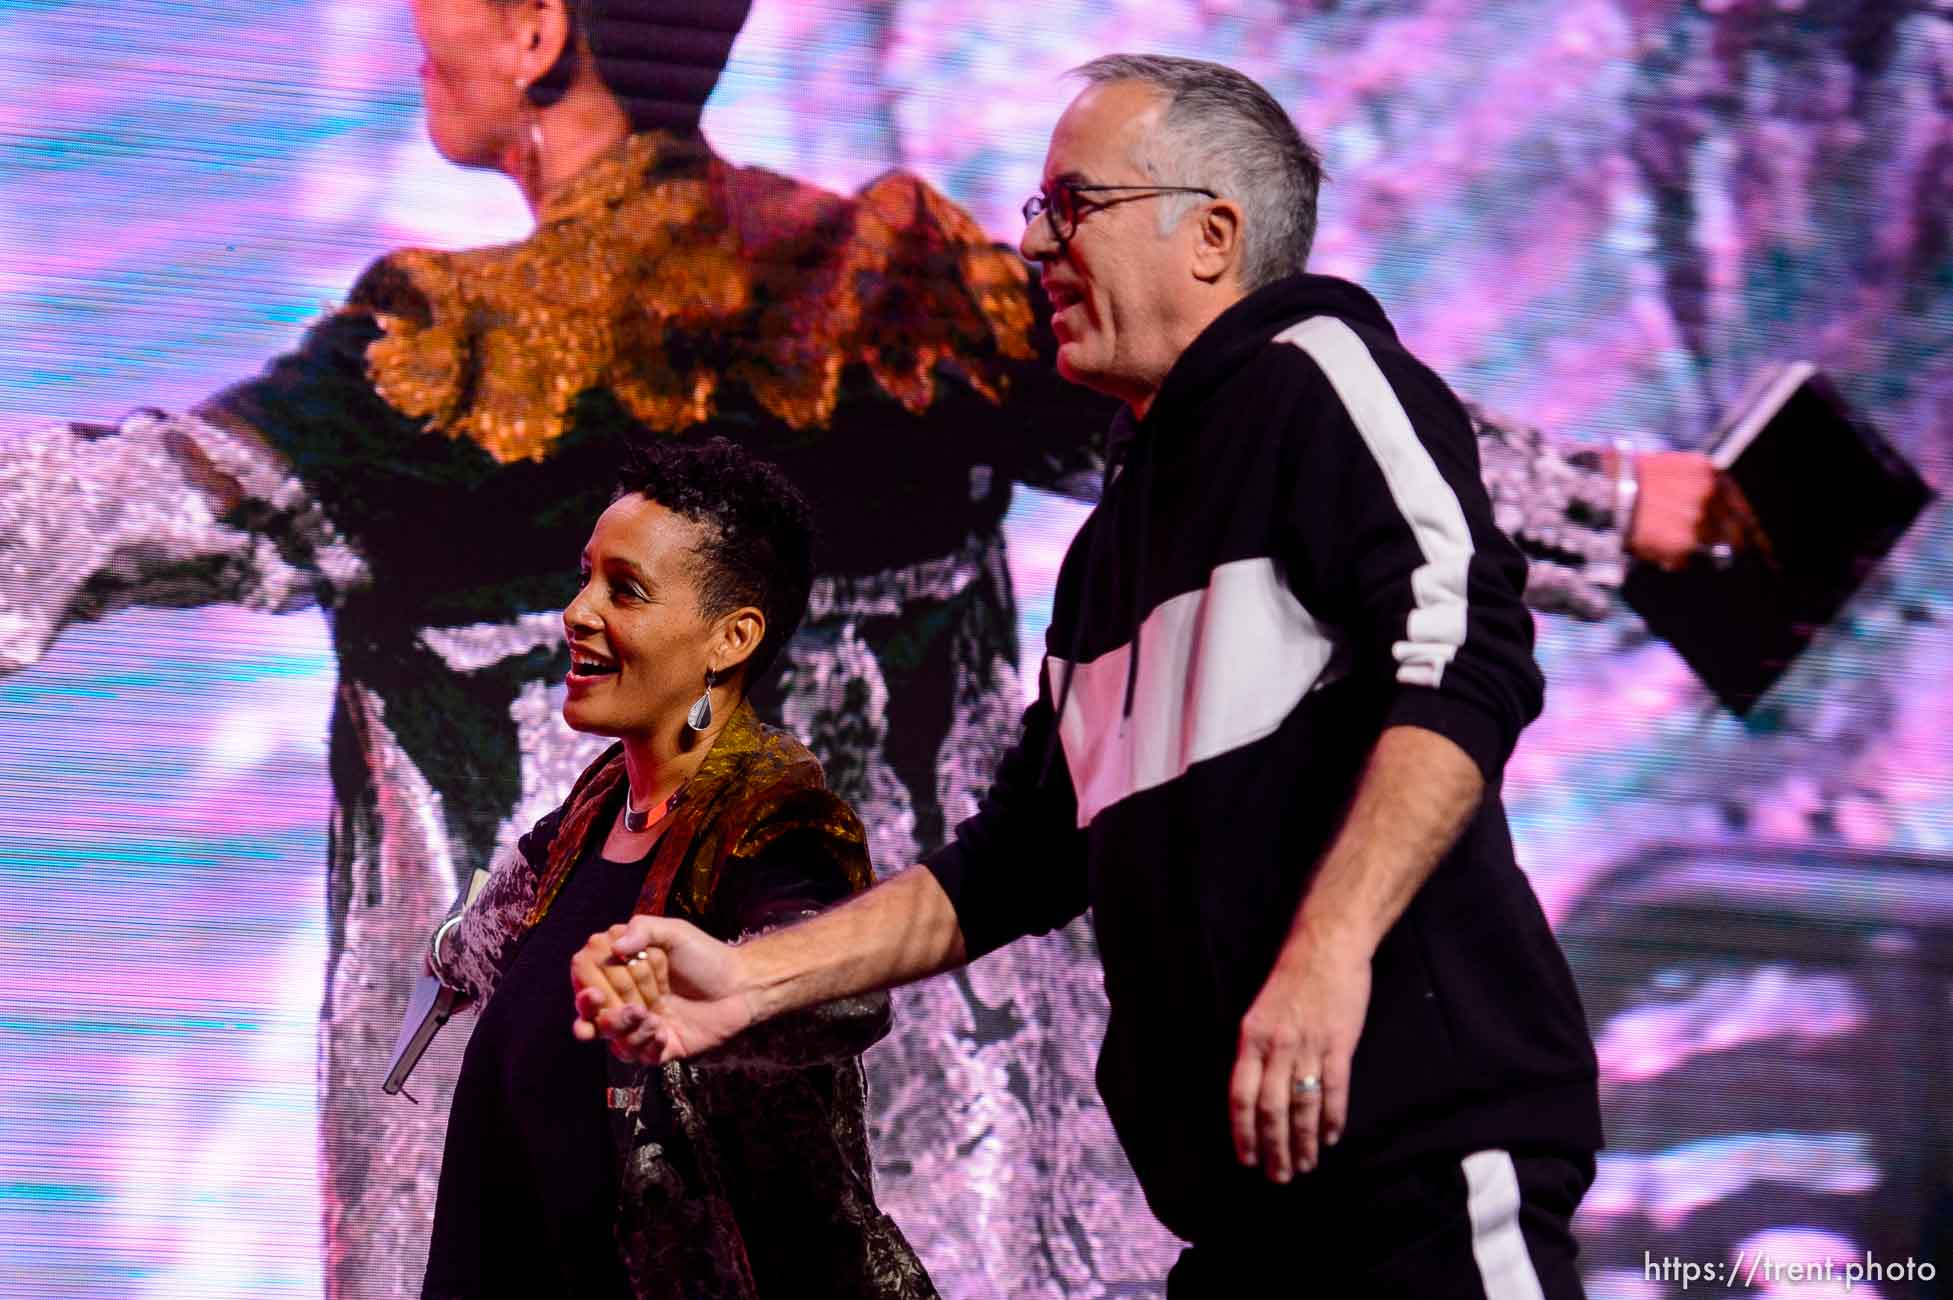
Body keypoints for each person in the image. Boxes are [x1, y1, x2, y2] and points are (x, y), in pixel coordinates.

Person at [0, 3, 1716, 1292]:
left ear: (537, 30)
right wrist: (1639, 508)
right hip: (966, 1159)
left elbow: (94, 517)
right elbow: (1015, 846)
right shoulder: (912, 308)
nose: (412, 29)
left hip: (629, 1138)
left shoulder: (429, 367)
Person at [576, 54, 1604, 1297]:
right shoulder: (1109, 551)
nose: (1036, 247)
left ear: (1213, 235)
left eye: (1075, 207)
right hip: (1241, 1239)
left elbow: (1464, 653)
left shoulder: (1318, 375)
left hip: (1424, 1185)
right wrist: (746, 980)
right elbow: (1009, 864)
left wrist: (1327, 953)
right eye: (1037, 212)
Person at [422, 432, 934, 1300]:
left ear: (729, 640)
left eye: (625, 590)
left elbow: (830, 990)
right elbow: (472, 948)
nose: (578, 611)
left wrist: (732, 985)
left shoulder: (773, 817)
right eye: (584, 576)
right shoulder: (593, 811)